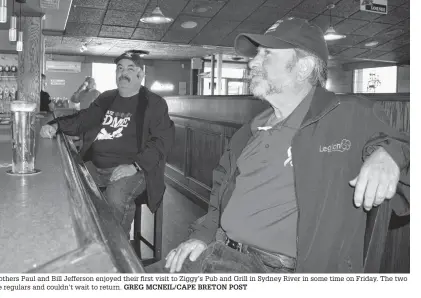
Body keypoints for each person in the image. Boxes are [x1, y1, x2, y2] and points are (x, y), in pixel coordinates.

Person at [149, 17, 409, 273]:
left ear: (304, 67)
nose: (252, 63)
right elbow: (218, 198)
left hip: (275, 269)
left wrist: (390, 155)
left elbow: (403, 156)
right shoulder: (246, 134)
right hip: (220, 252)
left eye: (266, 54)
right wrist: (202, 236)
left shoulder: (350, 115)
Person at [39, 50, 175, 235]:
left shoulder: (154, 103)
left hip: (135, 169)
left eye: (130, 68)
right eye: (120, 68)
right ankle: (88, 239)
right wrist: (56, 125)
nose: (123, 73)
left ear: (140, 74)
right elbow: (83, 119)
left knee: (115, 197)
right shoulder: (107, 98)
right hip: (96, 165)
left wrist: (135, 166)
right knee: (68, 186)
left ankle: (118, 253)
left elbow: (162, 141)